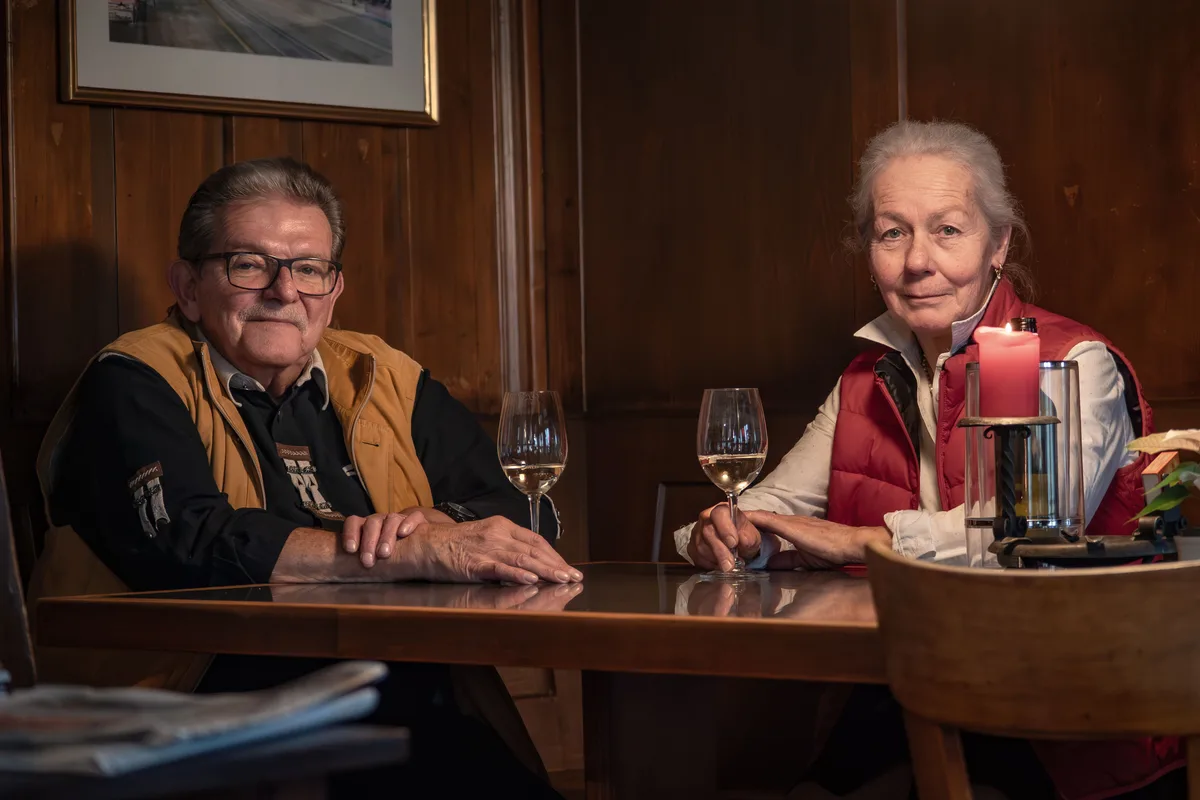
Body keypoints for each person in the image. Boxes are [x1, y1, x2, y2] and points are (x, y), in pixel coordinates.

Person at [28, 156, 580, 798]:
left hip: (394, 699)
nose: (284, 292)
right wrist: (410, 553)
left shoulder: (384, 373)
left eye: (310, 269)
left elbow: (524, 507)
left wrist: (437, 524)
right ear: (188, 287)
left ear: (333, 291)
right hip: (196, 721)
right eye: (249, 264)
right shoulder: (135, 375)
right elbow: (189, 543)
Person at [677, 121, 1179, 799]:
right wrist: (723, 531)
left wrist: (859, 541)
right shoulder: (865, 377)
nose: (917, 260)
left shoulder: (1073, 362)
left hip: (1063, 714)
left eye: (947, 230)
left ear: (998, 244)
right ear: (869, 252)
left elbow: (1033, 533)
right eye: (892, 233)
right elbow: (772, 509)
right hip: (905, 685)